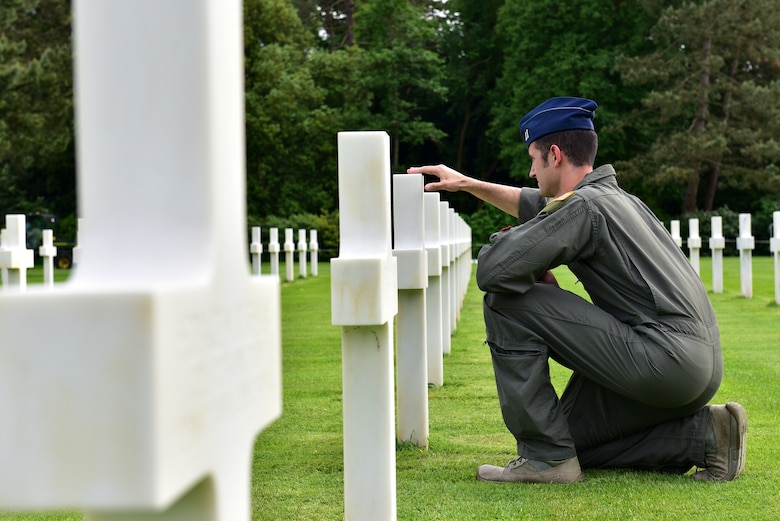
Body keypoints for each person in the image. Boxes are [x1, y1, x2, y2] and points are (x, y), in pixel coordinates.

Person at [408, 96, 747, 484]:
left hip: (663, 360)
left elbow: (495, 271)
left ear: (554, 155)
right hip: (696, 369)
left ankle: (545, 458)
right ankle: (707, 436)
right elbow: (537, 203)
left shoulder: (582, 207)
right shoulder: (618, 199)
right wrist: (467, 185)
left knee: (504, 301)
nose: (531, 171)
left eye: (533, 159)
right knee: (571, 443)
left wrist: (517, 255)